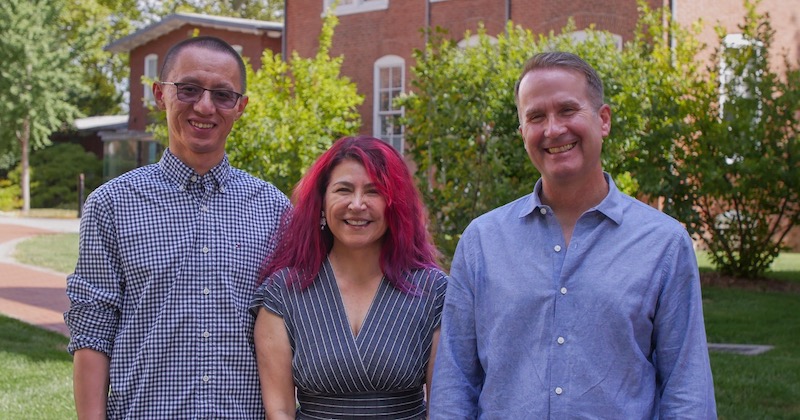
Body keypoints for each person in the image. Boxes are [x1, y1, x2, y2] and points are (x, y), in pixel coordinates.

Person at [430, 52, 717, 418]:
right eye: (536, 116)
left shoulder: (662, 244)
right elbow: (455, 384)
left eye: (567, 110)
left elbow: (686, 389)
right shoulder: (482, 242)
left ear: (604, 120)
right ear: (522, 133)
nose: (552, 129)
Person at [64, 36, 291, 419]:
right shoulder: (111, 205)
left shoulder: (274, 210)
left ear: (241, 107)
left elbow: (288, 333)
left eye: (222, 94)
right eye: (188, 89)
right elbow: (93, 331)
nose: (205, 106)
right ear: (159, 94)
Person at [251, 135, 447, 419]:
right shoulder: (282, 293)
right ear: (321, 202)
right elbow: (279, 411)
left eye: (374, 191)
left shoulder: (434, 292)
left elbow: (443, 408)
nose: (357, 204)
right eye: (343, 190)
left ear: (395, 204)